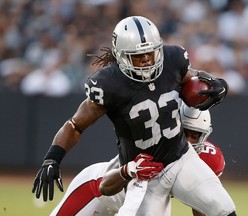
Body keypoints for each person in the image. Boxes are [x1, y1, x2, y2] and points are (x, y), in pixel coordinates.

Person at [32, 16, 236, 216]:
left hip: (178, 158)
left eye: (151, 53)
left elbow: (191, 75)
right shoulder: (109, 84)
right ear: (121, 55)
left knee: (224, 208)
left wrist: (216, 83)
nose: (147, 60)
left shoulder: (173, 59)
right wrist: (52, 159)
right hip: (137, 175)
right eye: (138, 56)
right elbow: (76, 125)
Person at [50, 104, 226, 216]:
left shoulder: (209, 160)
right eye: (182, 132)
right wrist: (129, 170)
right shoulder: (150, 140)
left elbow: (203, 206)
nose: (187, 142)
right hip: (98, 193)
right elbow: (107, 185)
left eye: (194, 136)